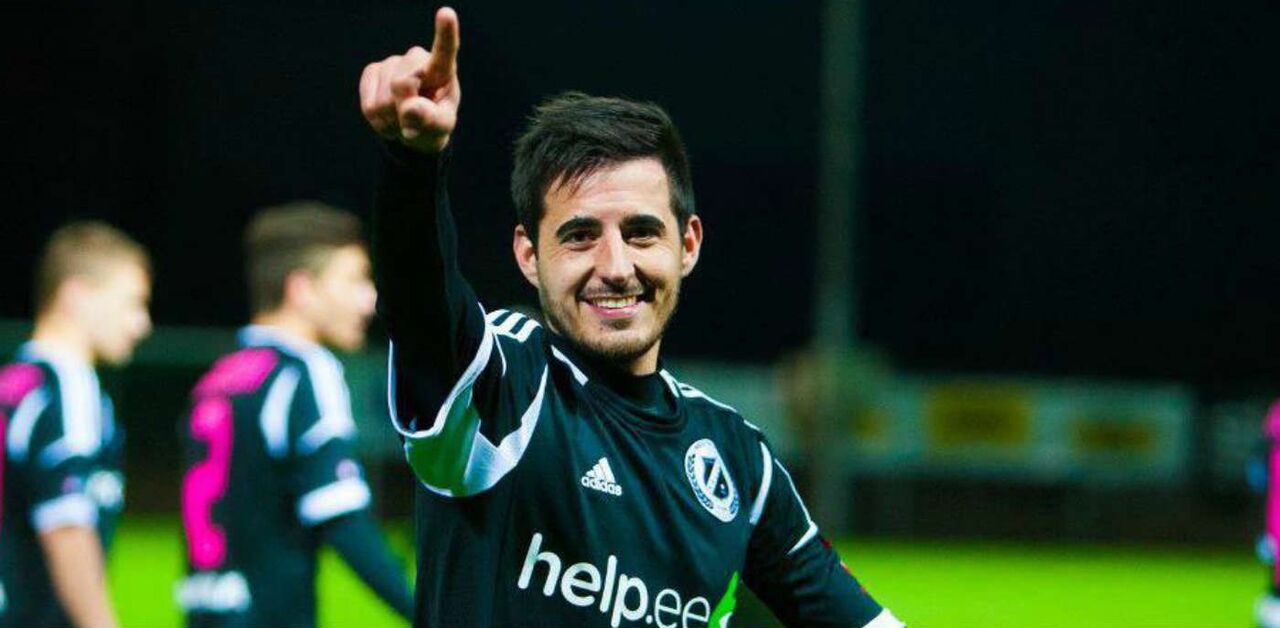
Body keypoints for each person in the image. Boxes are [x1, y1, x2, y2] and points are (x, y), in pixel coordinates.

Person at [359, 8, 903, 627]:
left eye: (642, 232)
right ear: (529, 255)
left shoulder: (736, 458)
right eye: (580, 236)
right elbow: (421, 304)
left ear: (687, 245)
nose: (616, 267)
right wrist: (412, 161)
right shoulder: (506, 388)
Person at [176, 202, 412, 627]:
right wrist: (428, 610)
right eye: (355, 280)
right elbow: (343, 520)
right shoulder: (305, 370)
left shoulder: (219, 378)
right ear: (302, 289)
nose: (370, 299)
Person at [0, 221, 153, 628]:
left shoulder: (14, 384)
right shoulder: (69, 386)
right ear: (77, 296)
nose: (141, 324)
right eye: (131, 304)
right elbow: (66, 524)